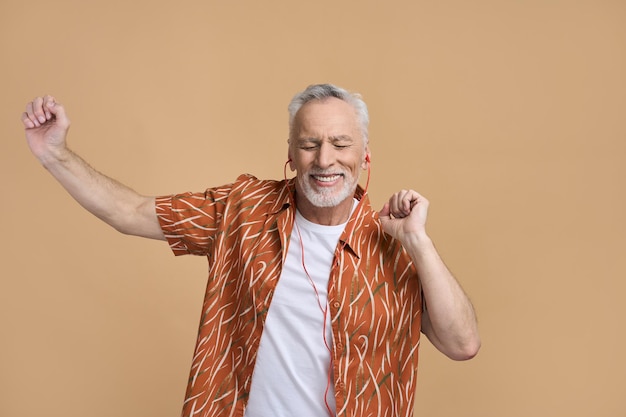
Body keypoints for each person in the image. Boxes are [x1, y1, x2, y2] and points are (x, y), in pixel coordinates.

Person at [22, 84, 480, 417]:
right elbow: (131, 212)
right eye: (309, 144)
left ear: (364, 155)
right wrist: (54, 154)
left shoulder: (396, 245)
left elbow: (463, 344)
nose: (324, 160)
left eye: (340, 144)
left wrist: (419, 241)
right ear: (290, 151)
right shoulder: (243, 210)